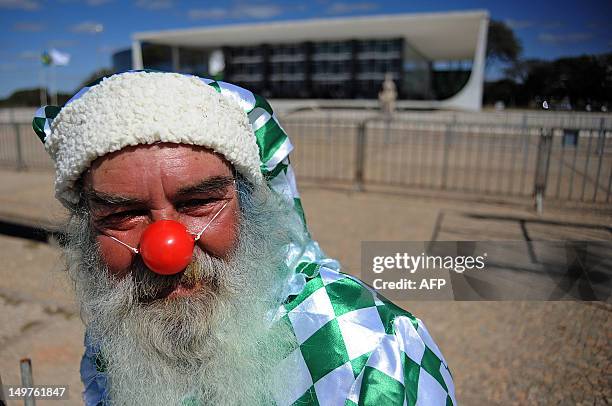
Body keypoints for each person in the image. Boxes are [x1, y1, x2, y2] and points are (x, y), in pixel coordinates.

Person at [33, 71, 455, 406]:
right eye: (124, 213)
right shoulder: (118, 333)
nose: (167, 250)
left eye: (198, 202)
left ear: (253, 207)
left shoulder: (376, 352)